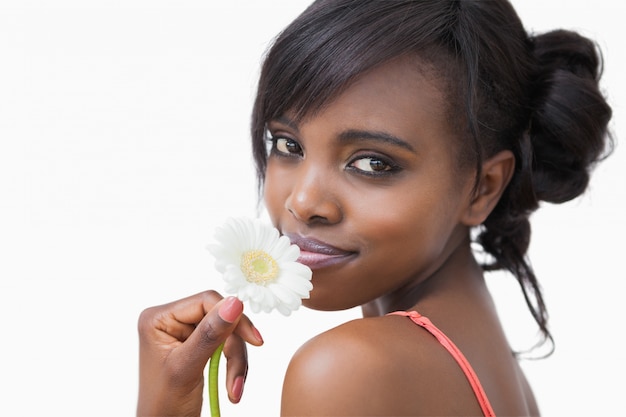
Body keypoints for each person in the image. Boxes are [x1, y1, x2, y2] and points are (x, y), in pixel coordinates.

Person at [137, 0, 612, 415]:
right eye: (287, 144)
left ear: (482, 188)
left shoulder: (352, 369)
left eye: (372, 163)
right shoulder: (481, 358)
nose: (303, 202)